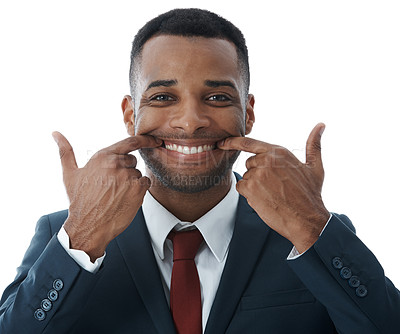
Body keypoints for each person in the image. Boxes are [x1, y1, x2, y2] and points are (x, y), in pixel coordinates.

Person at [0, 8, 399, 334]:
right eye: (162, 96)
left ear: (249, 112)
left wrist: (312, 225)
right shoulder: (64, 235)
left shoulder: (313, 233)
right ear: (129, 114)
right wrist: (82, 237)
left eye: (217, 96)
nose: (190, 122)